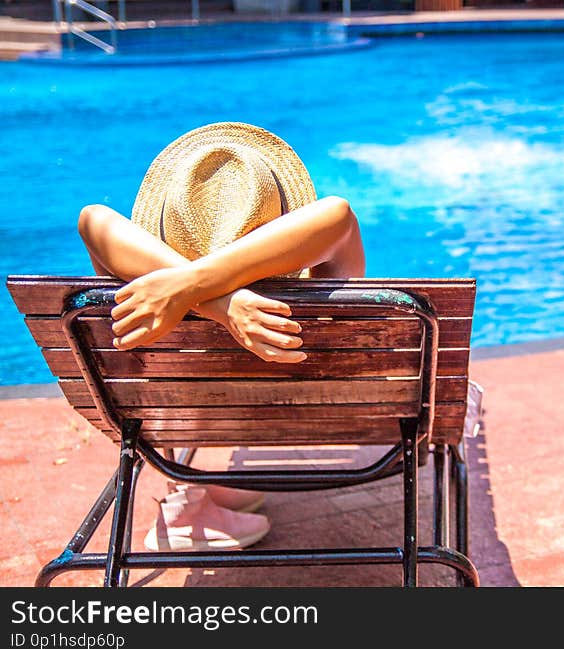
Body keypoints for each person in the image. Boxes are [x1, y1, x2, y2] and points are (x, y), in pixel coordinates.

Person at [77, 122, 365, 551]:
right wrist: (223, 304)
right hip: (299, 412)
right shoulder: (323, 271)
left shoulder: (146, 287)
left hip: (181, 411)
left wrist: (188, 290)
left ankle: (182, 492)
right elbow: (337, 213)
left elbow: (92, 220)